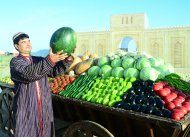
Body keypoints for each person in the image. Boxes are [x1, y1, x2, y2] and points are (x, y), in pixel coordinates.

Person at [10, 32, 74, 137]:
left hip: (43, 106)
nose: (28, 44)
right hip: (28, 107)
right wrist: (50, 60)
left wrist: (68, 58)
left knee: (45, 131)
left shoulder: (38, 59)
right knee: (28, 131)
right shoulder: (15, 62)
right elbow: (29, 73)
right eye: (23, 42)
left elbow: (55, 71)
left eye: (29, 40)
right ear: (17, 46)